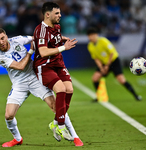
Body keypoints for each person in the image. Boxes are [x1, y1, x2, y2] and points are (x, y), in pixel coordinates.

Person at [0, 28, 83, 147]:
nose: (1, 42)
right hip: (19, 84)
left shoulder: (17, 40)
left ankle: (75, 136)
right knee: (8, 115)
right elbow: (20, 66)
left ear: (6, 36)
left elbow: (38, 38)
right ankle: (17, 139)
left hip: (35, 78)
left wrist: (59, 38)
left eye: (2, 38)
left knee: (56, 106)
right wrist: (31, 51)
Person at [33, 2, 83, 146]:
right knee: (60, 89)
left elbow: (55, 37)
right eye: (57, 13)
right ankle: (61, 126)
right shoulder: (41, 30)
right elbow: (42, 52)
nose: (60, 15)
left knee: (70, 90)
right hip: (45, 66)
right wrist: (63, 47)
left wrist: (63, 39)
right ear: (47, 14)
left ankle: (55, 122)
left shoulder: (57, 26)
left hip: (58, 64)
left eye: (60, 13)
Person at [86, 27, 142, 101]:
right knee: (95, 78)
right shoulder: (90, 46)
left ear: (97, 35)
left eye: (92, 35)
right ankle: (99, 97)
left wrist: (107, 66)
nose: (91, 37)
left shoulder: (103, 41)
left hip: (114, 61)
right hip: (104, 63)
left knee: (121, 80)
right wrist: (101, 68)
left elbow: (112, 52)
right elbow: (96, 58)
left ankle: (136, 96)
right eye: (89, 35)